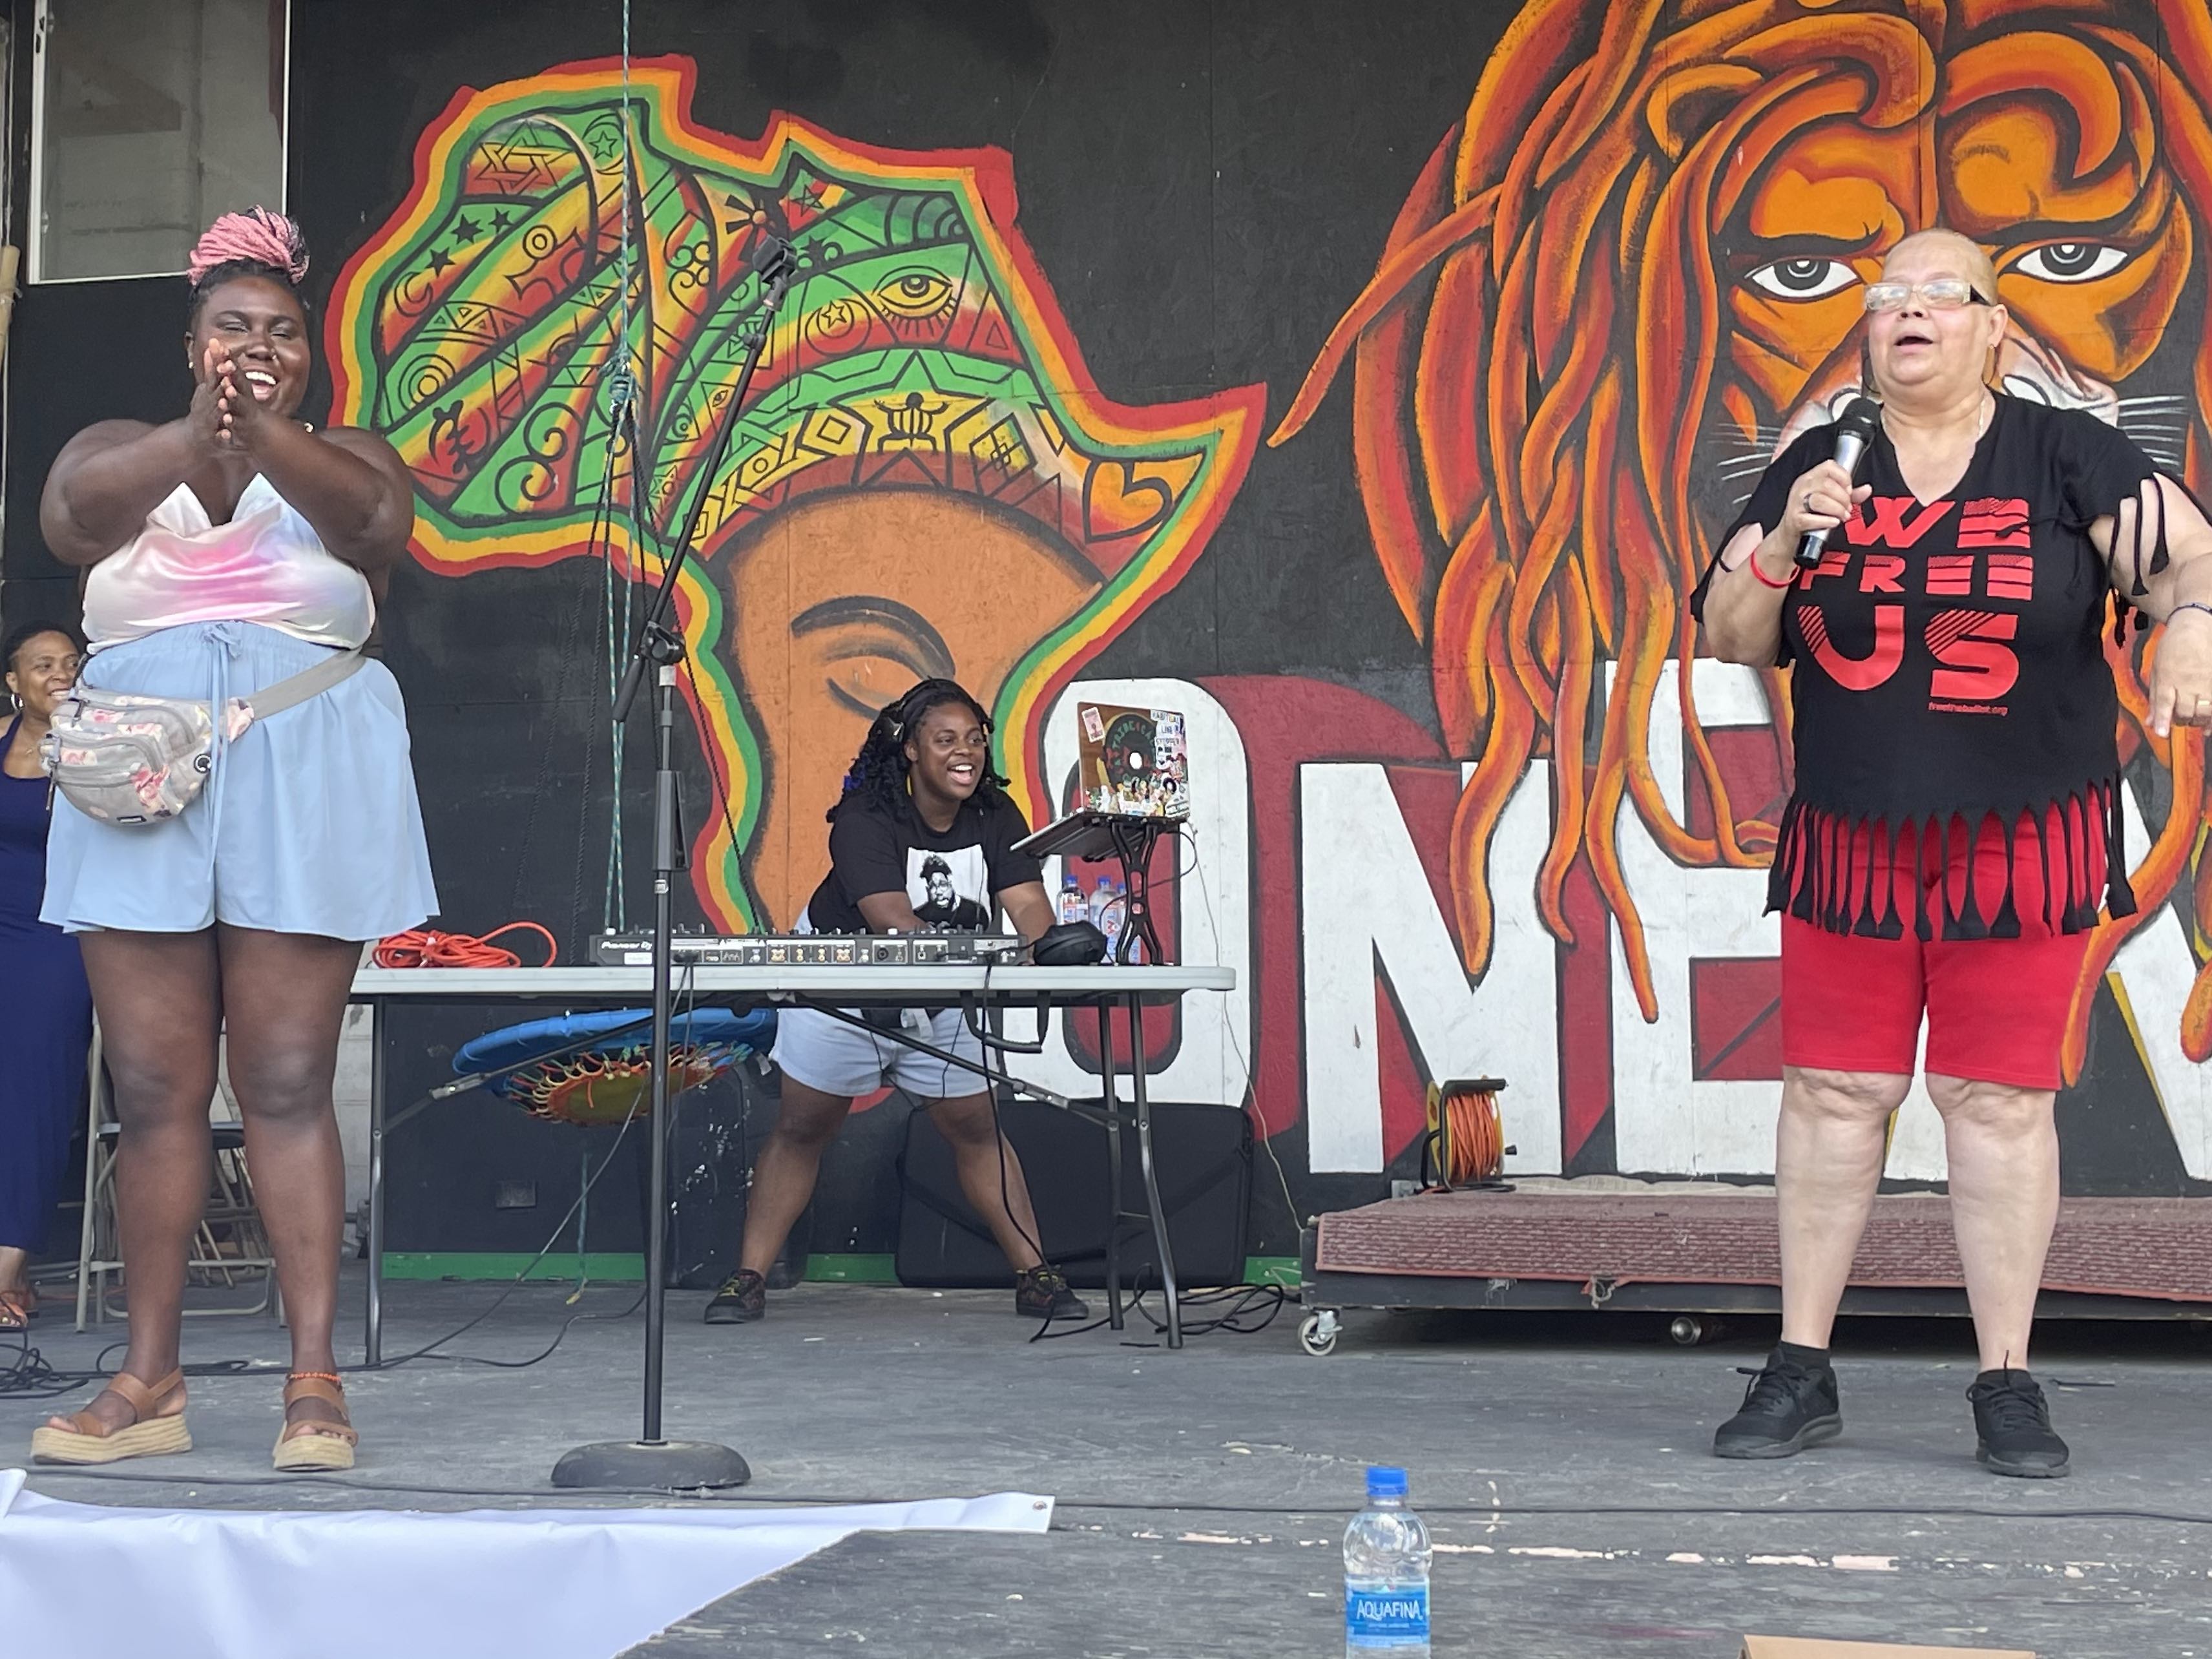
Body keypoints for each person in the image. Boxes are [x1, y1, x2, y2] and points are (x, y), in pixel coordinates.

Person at [1694, 229, 2212, 1479]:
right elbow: (1725, 630)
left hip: (2019, 839)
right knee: (1831, 1097)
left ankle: (2004, 1379)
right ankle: (1799, 1365)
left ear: (1991, 328)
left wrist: (2187, 622)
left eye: (1938, 295)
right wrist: (1780, 540)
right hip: (1851, 841)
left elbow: (2189, 552)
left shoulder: (2064, 454)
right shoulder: (1819, 461)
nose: (1904, 312)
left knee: (1994, 1106)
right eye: (1884, 299)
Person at [29, 209, 437, 1471]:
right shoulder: (120, 446)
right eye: (231, 330)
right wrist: (194, 435)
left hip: (301, 759)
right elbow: (66, 518)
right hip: (133, 770)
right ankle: (149, 1380)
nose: (255, 349)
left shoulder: (339, 453)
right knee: (151, 1090)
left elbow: (376, 526)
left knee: (284, 1080)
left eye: (279, 334)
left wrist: (261, 437)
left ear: (308, 355)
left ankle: (313, 1384)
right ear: (191, 342)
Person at [705, 677, 1089, 1325]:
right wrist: (992, 957)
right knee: (804, 1128)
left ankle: (1035, 1275)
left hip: (941, 994)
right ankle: (747, 1278)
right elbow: (892, 924)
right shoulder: (864, 818)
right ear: (910, 750)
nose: (964, 752)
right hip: (843, 991)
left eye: (974, 739)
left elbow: (1024, 902)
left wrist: (1046, 944)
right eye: (944, 740)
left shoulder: (994, 816)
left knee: (974, 1128)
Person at [0, 624, 93, 1330]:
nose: (59, 674)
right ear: (13, 679)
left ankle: (7, 1266)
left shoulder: (104, 745)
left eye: (71, 663)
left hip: (56, 936)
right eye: (42, 665)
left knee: (34, 1093)